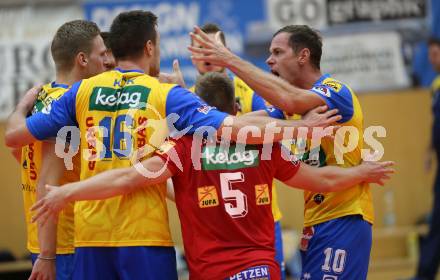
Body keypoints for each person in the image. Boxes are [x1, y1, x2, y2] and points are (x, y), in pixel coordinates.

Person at [4, 11, 340, 280]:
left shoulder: (80, 93)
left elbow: (16, 139)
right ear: (150, 48)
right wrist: (303, 130)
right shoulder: (165, 94)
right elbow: (237, 127)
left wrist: (20, 108)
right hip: (143, 234)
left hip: (91, 235)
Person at [30, 72, 394, 280]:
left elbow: (127, 180)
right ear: (236, 109)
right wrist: (361, 171)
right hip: (260, 270)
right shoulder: (265, 146)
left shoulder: (183, 148)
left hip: (210, 273)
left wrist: (69, 192)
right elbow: (323, 181)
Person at [189, 24, 376, 279]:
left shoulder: (334, 91)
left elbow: (290, 100)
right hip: (315, 220)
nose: (269, 59)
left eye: (277, 52)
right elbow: (241, 125)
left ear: (303, 56)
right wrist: (195, 113)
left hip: (345, 216)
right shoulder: (289, 110)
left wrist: (229, 60)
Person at [189, 22, 287, 279]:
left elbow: (278, 122)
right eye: (202, 48)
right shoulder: (185, 98)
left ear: (227, 51)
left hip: (260, 218)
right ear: (192, 55)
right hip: (212, 225)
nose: (208, 54)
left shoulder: (250, 89)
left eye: (214, 47)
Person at [18, 20, 109, 280]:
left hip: (46, 239)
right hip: (65, 243)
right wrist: (48, 255)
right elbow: (47, 180)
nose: (106, 61)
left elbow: (21, 156)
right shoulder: (67, 106)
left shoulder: (42, 96)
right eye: (101, 54)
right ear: (82, 59)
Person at [414, 37, 440, 280]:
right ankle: (424, 274)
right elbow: (436, 125)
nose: (432, 59)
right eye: (430, 54)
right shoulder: (435, 85)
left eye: (436, 54)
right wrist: (429, 152)